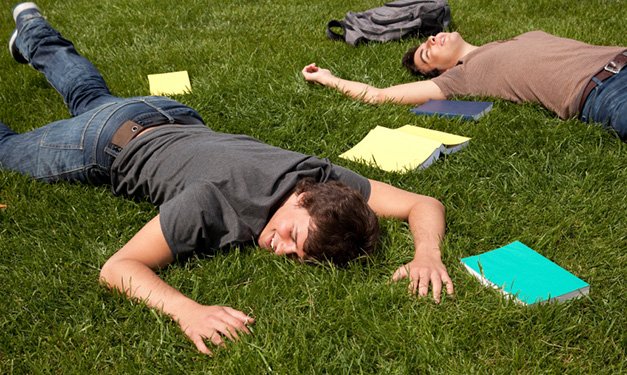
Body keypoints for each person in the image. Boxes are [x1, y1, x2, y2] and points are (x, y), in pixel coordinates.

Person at [0, 3, 454, 355]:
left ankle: (33, 29)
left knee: (89, 93)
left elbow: (423, 202)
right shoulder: (214, 203)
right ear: (301, 202)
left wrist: (426, 254)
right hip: (106, 143)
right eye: (293, 236)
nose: (282, 249)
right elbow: (118, 268)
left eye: (298, 254)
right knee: (7, 149)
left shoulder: (316, 178)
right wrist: (187, 311)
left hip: (165, 112)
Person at [302, 31, 626, 140]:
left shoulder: (514, 39)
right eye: (428, 53)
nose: (431, 40)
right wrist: (327, 78)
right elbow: (378, 96)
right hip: (605, 91)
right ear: (439, 72)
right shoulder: (461, 77)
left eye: (426, 42)